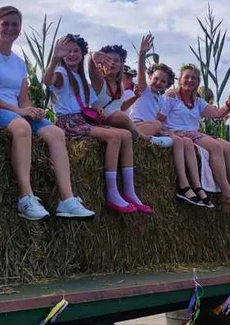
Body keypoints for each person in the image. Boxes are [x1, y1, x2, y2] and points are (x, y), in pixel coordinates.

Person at [0, 5, 94, 221]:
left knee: (56, 133)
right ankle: (25, 197)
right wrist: (20, 112)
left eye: (15, 24)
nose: (11, 28)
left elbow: (23, 97)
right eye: (6, 23)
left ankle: (67, 199)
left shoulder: (19, 62)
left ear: (20, 29)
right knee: (21, 128)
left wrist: (32, 110)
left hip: (17, 110)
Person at [45, 34, 152, 214]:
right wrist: (55, 59)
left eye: (76, 51)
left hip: (80, 118)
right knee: (114, 136)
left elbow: (90, 103)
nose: (71, 54)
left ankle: (129, 191)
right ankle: (112, 193)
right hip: (68, 122)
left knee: (124, 135)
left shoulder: (79, 78)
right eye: (67, 51)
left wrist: (98, 111)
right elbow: (47, 81)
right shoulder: (62, 73)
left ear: (82, 53)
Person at [161, 64, 230, 213]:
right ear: (180, 79)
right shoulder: (171, 96)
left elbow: (217, 113)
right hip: (178, 133)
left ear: (198, 82)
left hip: (194, 133)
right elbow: (159, 119)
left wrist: (229, 104)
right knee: (215, 146)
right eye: (186, 76)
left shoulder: (197, 102)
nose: (190, 80)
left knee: (229, 147)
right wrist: (170, 133)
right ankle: (226, 194)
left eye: (194, 78)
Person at [130, 36, 210, 208]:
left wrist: (170, 132)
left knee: (184, 141)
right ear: (151, 76)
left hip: (152, 128)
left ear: (167, 85)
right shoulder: (144, 90)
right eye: (156, 78)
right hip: (136, 127)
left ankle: (190, 185)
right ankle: (147, 139)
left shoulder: (161, 99)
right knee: (159, 125)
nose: (158, 83)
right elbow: (141, 75)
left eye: (163, 81)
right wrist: (142, 54)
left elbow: (161, 120)